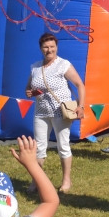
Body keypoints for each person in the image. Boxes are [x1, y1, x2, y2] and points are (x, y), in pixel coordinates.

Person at [25, 33, 86, 194]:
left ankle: (66, 180)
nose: (49, 50)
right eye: (46, 47)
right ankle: (36, 181)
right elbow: (28, 88)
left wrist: (81, 106)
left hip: (60, 111)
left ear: (56, 47)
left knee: (63, 145)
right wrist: (30, 92)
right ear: (40, 48)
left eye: (52, 46)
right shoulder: (35, 67)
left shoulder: (63, 64)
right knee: (39, 148)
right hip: (41, 112)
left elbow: (80, 84)